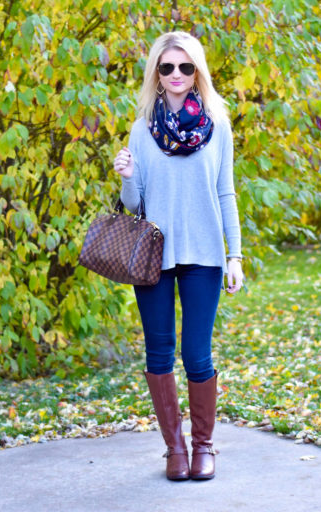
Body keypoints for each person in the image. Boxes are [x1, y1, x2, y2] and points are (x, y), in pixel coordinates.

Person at [113, 31, 243, 481]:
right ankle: (175, 450)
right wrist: (127, 176)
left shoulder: (218, 125)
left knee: (197, 353)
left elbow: (226, 192)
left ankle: (205, 445)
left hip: (205, 255)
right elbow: (134, 203)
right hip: (154, 257)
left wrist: (236, 256)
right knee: (159, 351)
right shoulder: (142, 128)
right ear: (156, 72)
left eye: (185, 67)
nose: (175, 75)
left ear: (197, 72)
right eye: (166, 67)